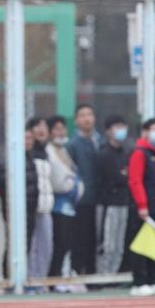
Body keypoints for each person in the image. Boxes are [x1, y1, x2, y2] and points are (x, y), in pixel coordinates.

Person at [127, 117, 155, 296]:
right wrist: (142, 205)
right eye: (154, 129)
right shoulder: (140, 153)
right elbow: (135, 181)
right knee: (141, 245)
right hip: (145, 208)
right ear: (145, 132)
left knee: (153, 245)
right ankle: (139, 282)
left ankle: (153, 280)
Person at [66, 103, 102, 275]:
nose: (87, 119)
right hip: (81, 201)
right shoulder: (72, 145)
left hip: (101, 199)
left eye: (90, 114)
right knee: (80, 239)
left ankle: (94, 273)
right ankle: (78, 272)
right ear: (76, 120)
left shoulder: (100, 141)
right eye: (83, 115)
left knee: (97, 239)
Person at [45, 115, 82, 282]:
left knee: (67, 243)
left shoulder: (64, 151)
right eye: (57, 129)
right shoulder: (48, 151)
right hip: (57, 205)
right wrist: (69, 184)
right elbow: (57, 180)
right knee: (58, 243)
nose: (60, 132)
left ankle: (62, 275)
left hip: (70, 205)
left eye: (63, 128)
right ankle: (53, 277)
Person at [96, 115, 132, 278]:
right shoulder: (104, 153)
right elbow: (114, 178)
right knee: (108, 243)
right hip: (108, 204)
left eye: (123, 126)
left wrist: (124, 175)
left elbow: (127, 176)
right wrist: (123, 175)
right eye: (117, 127)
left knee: (119, 245)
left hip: (123, 202)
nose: (121, 130)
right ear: (108, 131)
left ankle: (113, 275)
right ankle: (103, 275)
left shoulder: (125, 153)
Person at [24, 121, 54, 290]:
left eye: (44, 126)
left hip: (45, 207)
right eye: (37, 127)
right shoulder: (25, 155)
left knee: (46, 246)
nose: (41, 130)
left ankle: (41, 281)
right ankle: (30, 281)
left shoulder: (46, 152)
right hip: (31, 207)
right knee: (32, 247)